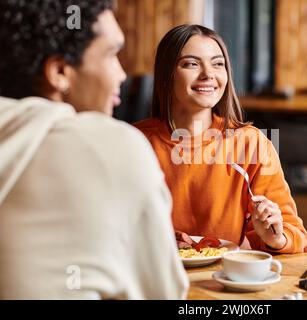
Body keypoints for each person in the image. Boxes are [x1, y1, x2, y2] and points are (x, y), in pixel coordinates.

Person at [0, 0, 188, 299]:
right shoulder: (115, 147)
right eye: (113, 54)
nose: (122, 74)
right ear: (60, 71)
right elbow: (164, 294)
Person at [134, 24, 307, 254]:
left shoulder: (251, 144)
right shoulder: (133, 142)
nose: (208, 74)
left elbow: (296, 236)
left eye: (218, 63)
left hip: (219, 280)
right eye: (191, 64)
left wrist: (275, 237)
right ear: (167, 74)